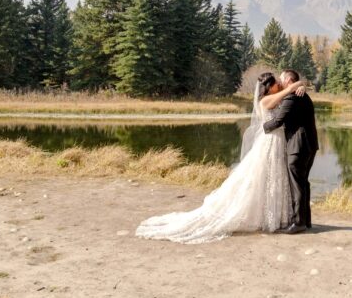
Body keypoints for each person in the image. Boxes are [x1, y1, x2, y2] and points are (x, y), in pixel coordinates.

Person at [135, 71, 310, 244]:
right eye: (276, 83)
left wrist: (300, 85)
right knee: (263, 178)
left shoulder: (276, 96)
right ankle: (269, 216)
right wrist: (297, 84)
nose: (279, 84)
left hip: (278, 143)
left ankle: (278, 215)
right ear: (269, 87)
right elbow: (284, 97)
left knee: (273, 178)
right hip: (270, 142)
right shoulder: (265, 101)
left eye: (281, 81)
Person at [262, 68, 319, 233]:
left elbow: (278, 121)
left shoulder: (292, 97)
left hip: (298, 147)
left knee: (297, 185)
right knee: (303, 183)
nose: (279, 82)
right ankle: (306, 220)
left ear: (288, 81)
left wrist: (262, 128)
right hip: (310, 145)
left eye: (281, 79)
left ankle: (298, 222)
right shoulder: (303, 95)